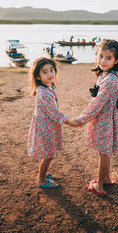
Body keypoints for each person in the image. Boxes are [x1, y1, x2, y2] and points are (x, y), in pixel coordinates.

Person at [73, 39, 118, 197]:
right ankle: (107, 177)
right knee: (105, 152)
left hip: (103, 120)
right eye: (101, 56)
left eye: (108, 58)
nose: (103, 61)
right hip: (106, 118)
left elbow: (97, 104)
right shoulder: (107, 74)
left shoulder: (109, 80)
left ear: (116, 61)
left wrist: (81, 119)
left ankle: (100, 186)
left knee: (103, 153)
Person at [27, 57, 78, 189]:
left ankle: (42, 173)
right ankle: (41, 180)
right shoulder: (43, 93)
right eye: (45, 72)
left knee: (45, 152)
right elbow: (54, 113)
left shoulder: (50, 86)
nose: (50, 74)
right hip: (44, 126)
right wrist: (70, 122)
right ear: (38, 77)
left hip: (47, 124)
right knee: (48, 154)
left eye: (51, 70)